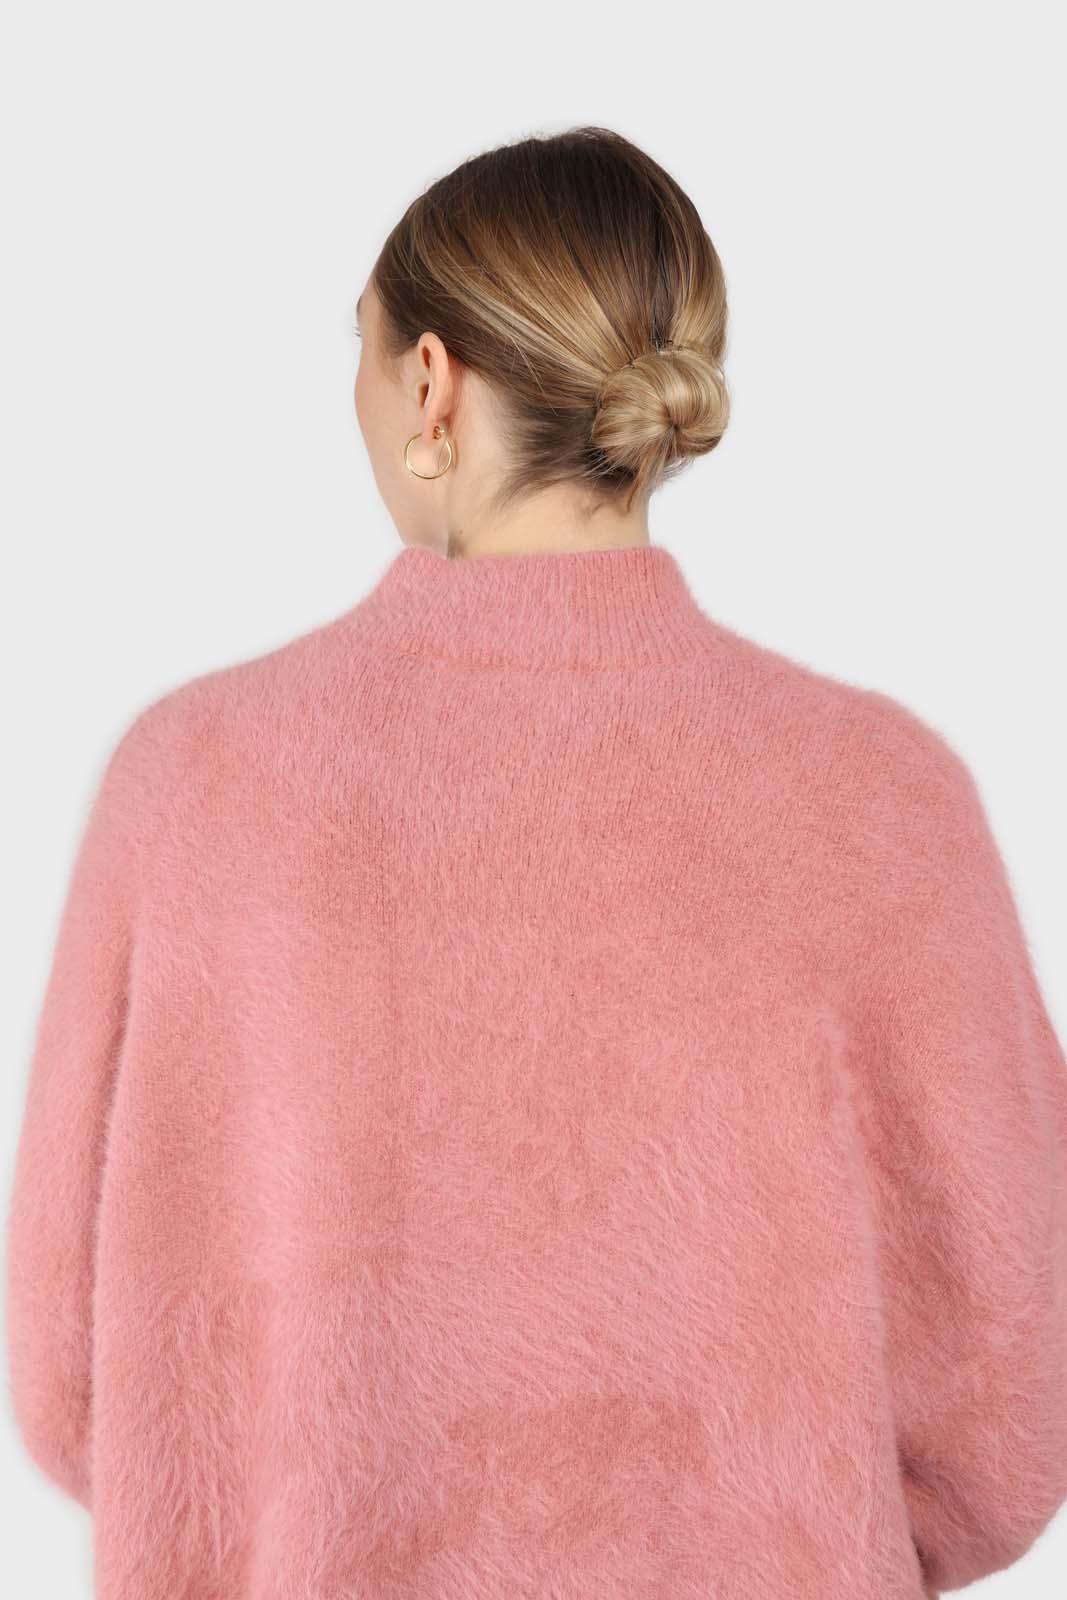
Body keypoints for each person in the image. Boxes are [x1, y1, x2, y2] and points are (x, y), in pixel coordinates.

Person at [5, 125, 1066, 1600]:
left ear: (429, 382)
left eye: (362, 352)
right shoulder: (885, 792)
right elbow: (1012, 1401)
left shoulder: (196, 779)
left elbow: (72, 1382)